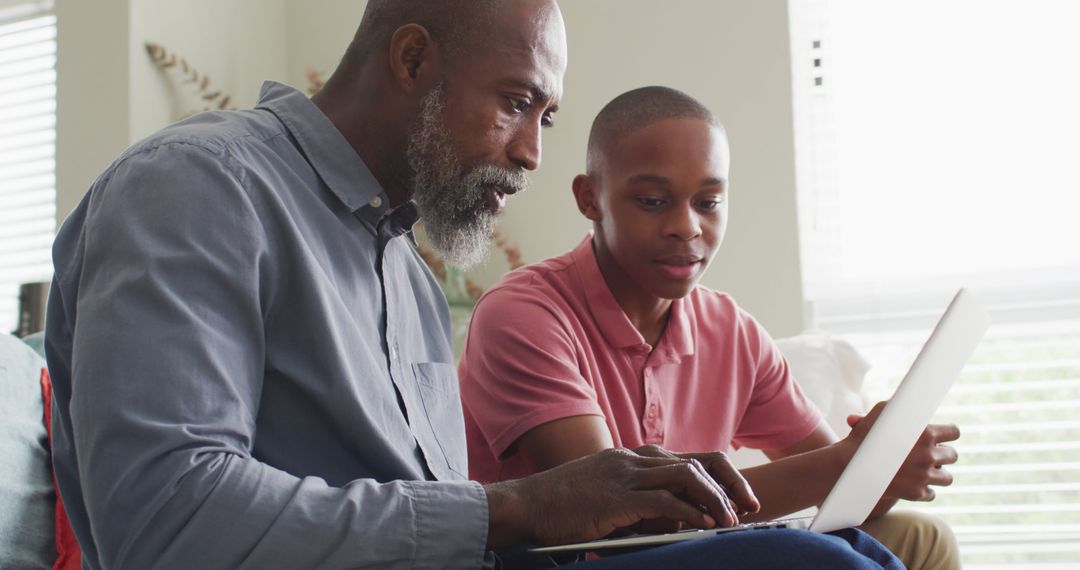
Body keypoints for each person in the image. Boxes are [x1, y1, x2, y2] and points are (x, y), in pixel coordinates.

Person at [45, 1, 901, 567]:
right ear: (413, 59)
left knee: (869, 552)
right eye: (516, 102)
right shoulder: (198, 187)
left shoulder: (411, 281)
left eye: (547, 117)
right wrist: (518, 508)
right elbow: (166, 516)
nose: (532, 151)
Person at [459, 86, 961, 569]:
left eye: (708, 202)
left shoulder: (731, 330)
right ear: (590, 198)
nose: (688, 227)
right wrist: (845, 464)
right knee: (815, 560)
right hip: (571, 563)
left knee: (919, 538)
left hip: (696, 552)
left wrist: (883, 469)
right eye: (654, 201)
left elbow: (838, 491)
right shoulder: (523, 314)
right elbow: (617, 523)